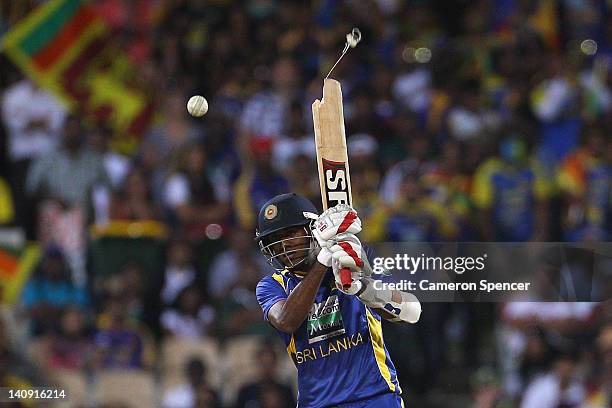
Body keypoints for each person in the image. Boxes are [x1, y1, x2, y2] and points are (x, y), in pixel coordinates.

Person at [255, 193, 421, 407]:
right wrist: (324, 259)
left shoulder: (357, 258)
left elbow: (411, 311)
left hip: (374, 397)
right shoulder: (271, 285)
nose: (284, 246)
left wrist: (362, 288)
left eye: (290, 234)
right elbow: (286, 320)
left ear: (313, 229)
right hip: (317, 403)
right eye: (274, 241)